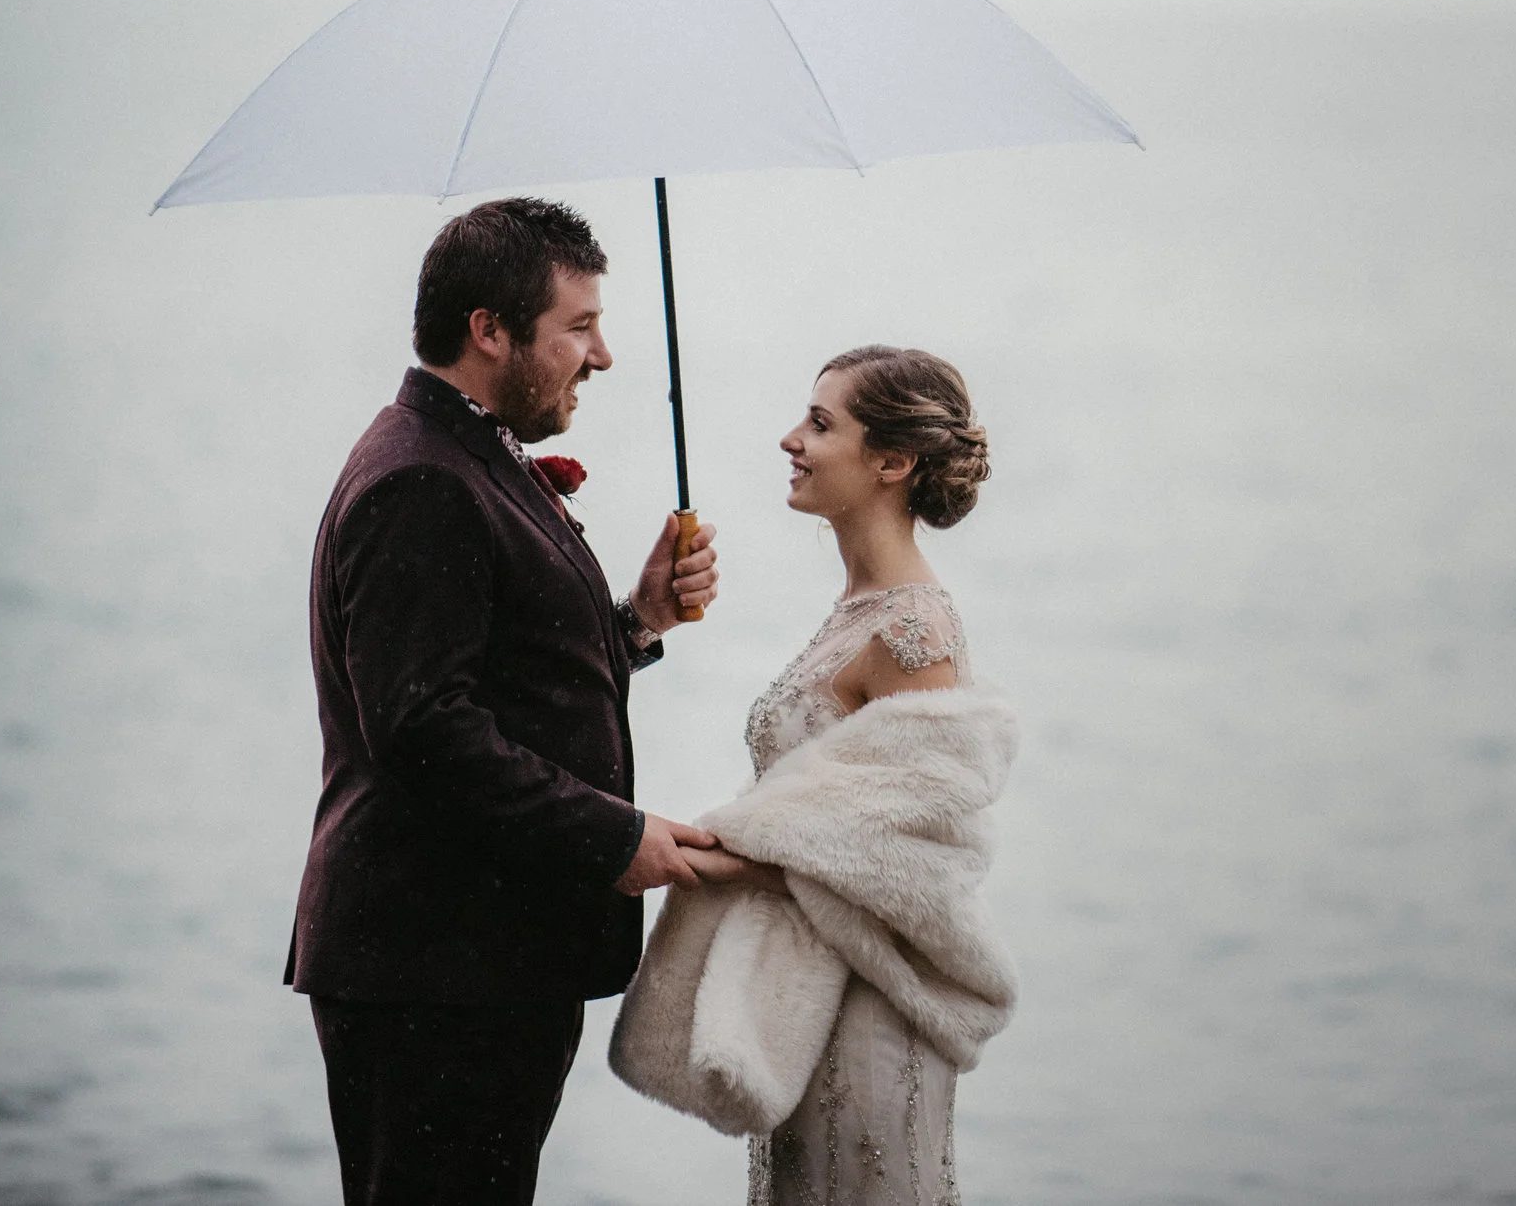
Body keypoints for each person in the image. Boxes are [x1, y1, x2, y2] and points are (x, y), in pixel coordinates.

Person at [288, 197, 723, 1204]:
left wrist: (640, 620)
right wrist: (616, 838)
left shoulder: (461, 453)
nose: (602, 355)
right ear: (490, 329)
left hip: (475, 959)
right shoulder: (423, 479)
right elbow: (422, 728)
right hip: (434, 968)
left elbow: (500, 684)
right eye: (578, 327)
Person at [659, 345, 1012, 1205]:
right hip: (807, 1001)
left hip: (868, 1013)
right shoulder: (858, 611)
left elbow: (900, 860)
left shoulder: (912, 632)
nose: (792, 439)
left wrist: (680, 853)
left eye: (820, 424)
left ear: (893, 461)